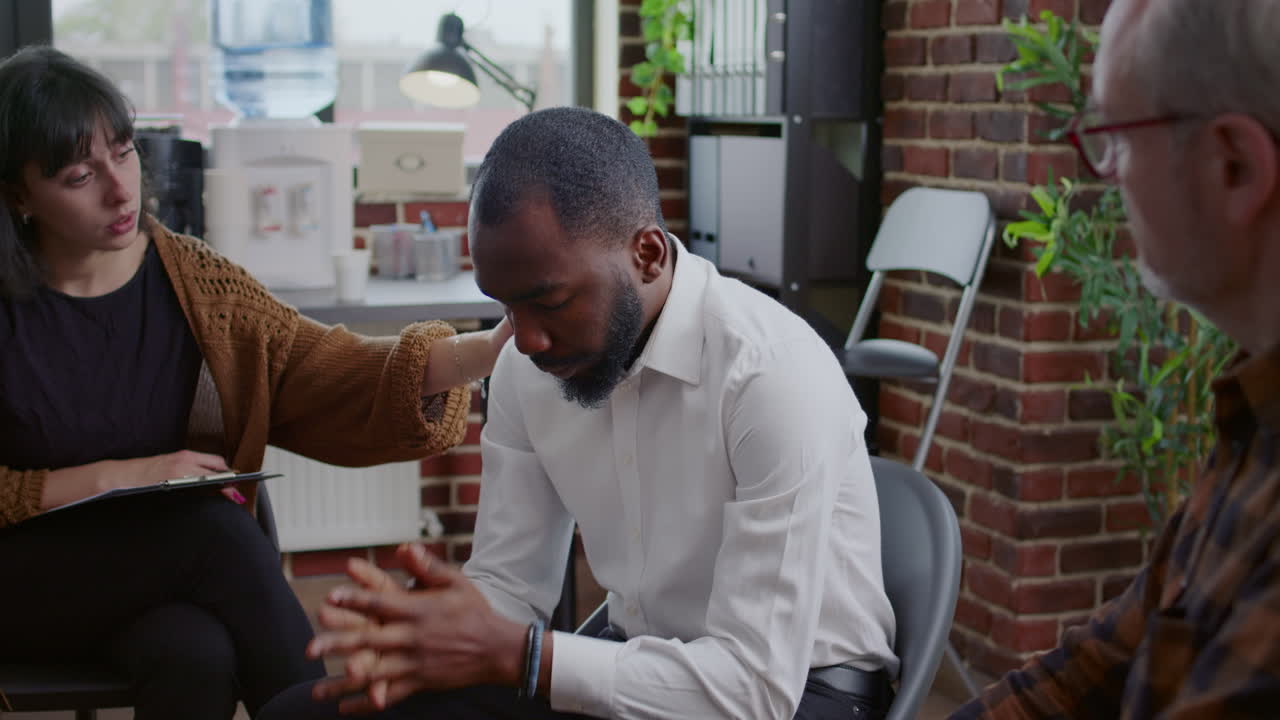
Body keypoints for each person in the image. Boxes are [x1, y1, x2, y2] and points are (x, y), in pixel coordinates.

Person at [259, 106, 899, 720]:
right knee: (302, 713)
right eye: (506, 305)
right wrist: (435, 630)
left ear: (646, 254)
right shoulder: (522, 364)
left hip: (799, 695)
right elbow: (512, 584)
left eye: (550, 301)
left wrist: (525, 656)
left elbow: (754, 694)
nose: (527, 339)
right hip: (634, 665)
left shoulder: (770, 375)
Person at [0, 46, 511, 719]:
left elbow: (322, 367)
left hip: (143, 582)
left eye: (123, 153)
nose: (121, 189)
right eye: (77, 176)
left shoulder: (195, 283)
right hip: (20, 581)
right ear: (19, 195)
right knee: (214, 532)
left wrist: (488, 348)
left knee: (194, 651)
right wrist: (127, 475)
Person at [949, 1, 1280, 717]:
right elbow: (1101, 663)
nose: (1108, 177)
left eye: (1117, 138)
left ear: (1235, 166)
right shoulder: (1255, 415)